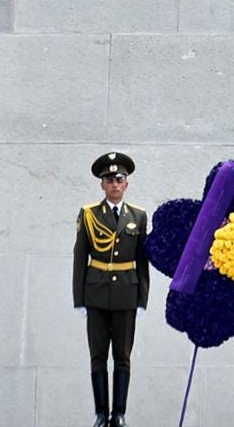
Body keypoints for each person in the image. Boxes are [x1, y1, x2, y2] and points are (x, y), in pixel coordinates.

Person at [74, 151, 149, 427]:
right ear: (102, 185)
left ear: (126, 184)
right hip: (95, 293)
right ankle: (100, 413)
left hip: (126, 294)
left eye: (119, 179)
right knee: (97, 356)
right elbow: (80, 256)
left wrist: (142, 299)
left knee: (122, 356)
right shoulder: (89, 215)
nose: (114, 184)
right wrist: (78, 299)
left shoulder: (138, 217)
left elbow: (142, 261)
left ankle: (119, 414)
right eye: (109, 179)